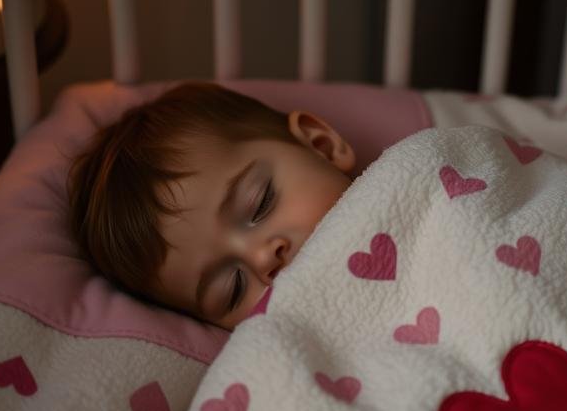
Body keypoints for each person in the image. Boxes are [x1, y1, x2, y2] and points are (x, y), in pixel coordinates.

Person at [67, 82, 356, 329]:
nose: (262, 259)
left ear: (321, 144)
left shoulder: (400, 176)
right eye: (233, 290)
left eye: (260, 204)